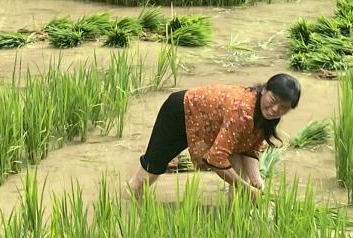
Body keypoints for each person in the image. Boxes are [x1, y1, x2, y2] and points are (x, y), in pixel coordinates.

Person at [128, 73, 301, 199]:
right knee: (151, 171)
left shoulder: (267, 115)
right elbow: (216, 159)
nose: (275, 110)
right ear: (264, 90)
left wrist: (257, 182)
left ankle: (235, 223)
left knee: (244, 178)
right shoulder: (242, 112)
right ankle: (128, 203)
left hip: (209, 123)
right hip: (180, 111)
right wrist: (248, 190)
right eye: (273, 101)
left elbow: (251, 146)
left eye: (283, 107)